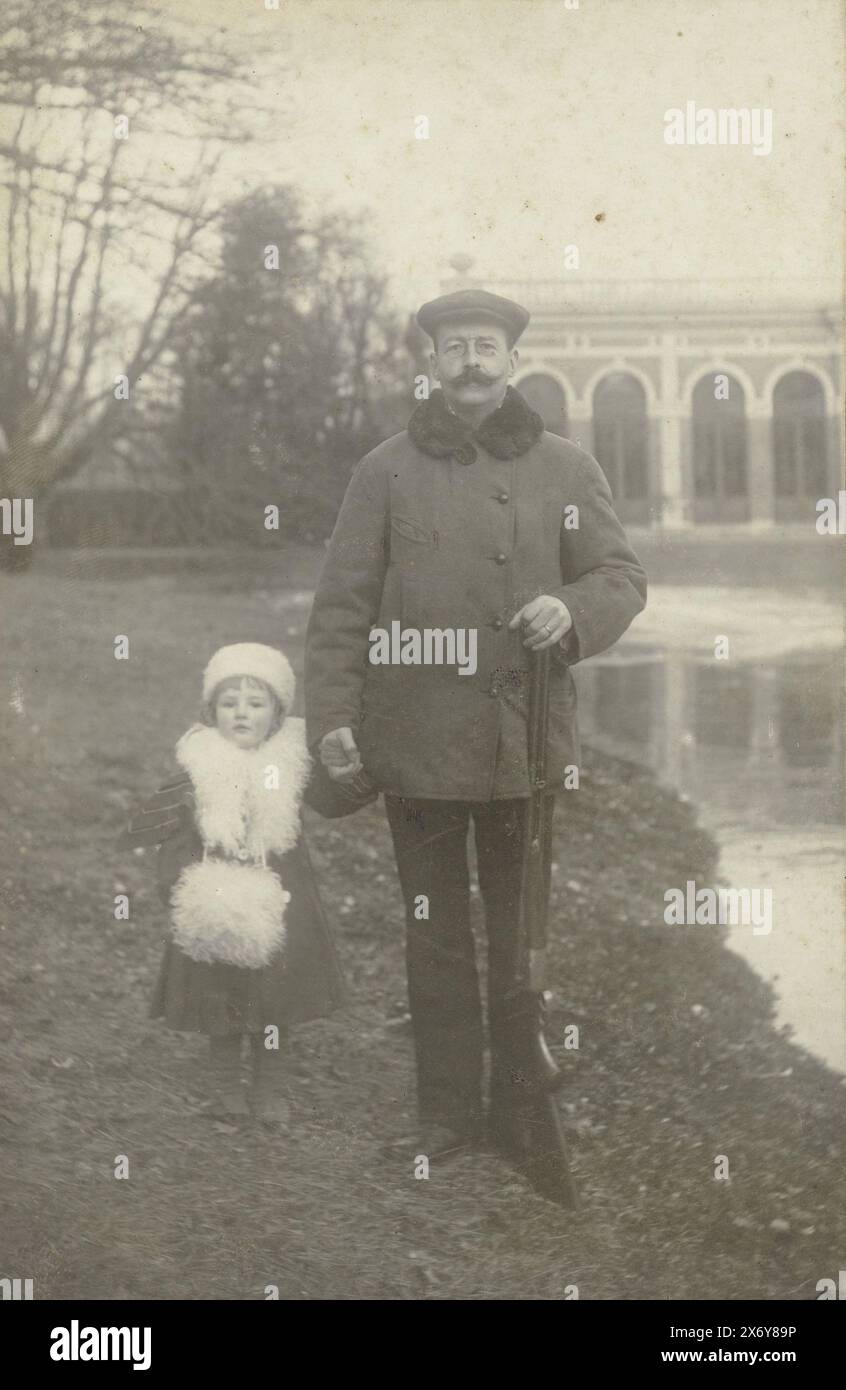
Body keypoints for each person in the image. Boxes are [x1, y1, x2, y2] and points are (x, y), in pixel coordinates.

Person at [305, 288, 647, 1161]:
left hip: (518, 736)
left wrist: (568, 612)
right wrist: (334, 719)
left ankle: (521, 1101)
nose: (470, 360)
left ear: (512, 362)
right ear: (430, 364)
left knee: (514, 927)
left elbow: (619, 577)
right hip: (411, 738)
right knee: (434, 929)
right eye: (454, 346)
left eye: (486, 346)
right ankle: (448, 1113)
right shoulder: (382, 471)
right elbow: (342, 605)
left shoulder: (567, 468)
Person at [119, 642, 362, 1127]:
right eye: (229, 704)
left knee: (277, 999)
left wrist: (350, 771)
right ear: (211, 712)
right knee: (220, 993)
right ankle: (226, 1090)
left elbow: (336, 798)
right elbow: (171, 835)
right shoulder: (198, 767)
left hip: (282, 898)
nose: (242, 714)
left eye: (256, 703)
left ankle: (270, 1090)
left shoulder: (293, 763)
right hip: (216, 900)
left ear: (277, 714)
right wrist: (180, 887)